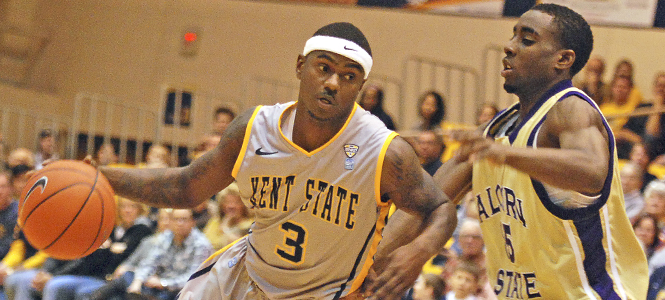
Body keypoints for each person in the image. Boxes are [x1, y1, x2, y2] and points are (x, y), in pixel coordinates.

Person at [95, 22, 457, 300]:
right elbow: (187, 186)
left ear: (359, 87)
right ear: (301, 66)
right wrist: (102, 178)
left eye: (349, 76)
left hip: (323, 293)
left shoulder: (383, 151)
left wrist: (418, 253)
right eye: (324, 68)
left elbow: (441, 208)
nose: (333, 83)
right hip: (246, 277)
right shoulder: (253, 129)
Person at [422, 3, 647, 298]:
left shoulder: (571, 110)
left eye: (526, 40)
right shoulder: (495, 130)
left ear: (563, 59)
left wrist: (505, 154)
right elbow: (428, 202)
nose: (509, 47)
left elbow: (591, 170)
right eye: (513, 36)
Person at [204, 183, 254, 250]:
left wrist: (225, 229)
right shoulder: (215, 222)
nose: (231, 206)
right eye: (227, 202)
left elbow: (238, 246)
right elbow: (206, 244)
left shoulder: (251, 224)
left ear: (244, 205)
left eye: (236, 202)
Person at [0, 171, 17, 262]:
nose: (0, 191)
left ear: (11, 188)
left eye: (3, 187)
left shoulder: (17, 212)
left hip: (12, 262)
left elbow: (11, 245)